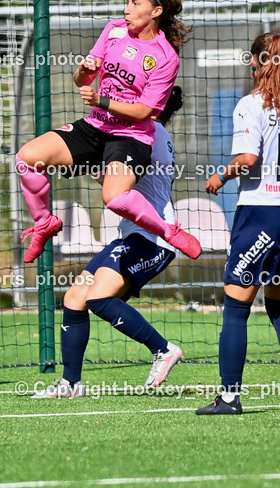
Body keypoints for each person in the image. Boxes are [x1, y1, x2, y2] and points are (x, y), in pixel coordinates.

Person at [15, 0, 201, 265]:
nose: (126, 10)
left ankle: (169, 230)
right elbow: (81, 80)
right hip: (96, 126)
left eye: (135, 4)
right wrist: (83, 71)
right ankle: (44, 223)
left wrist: (102, 101)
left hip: (131, 137)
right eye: (127, 2)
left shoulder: (165, 57)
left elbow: (144, 112)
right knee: (26, 159)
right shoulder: (114, 30)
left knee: (113, 197)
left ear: (156, 12)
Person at [194, 33, 280, 416]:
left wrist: (220, 176)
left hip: (261, 214)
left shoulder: (250, 105)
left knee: (236, 307)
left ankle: (229, 398)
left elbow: (248, 158)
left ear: (255, 62)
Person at [33, 89, 186, 399]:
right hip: (132, 235)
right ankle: (71, 384)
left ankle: (163, 349)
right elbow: (115, 177)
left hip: (153, 238)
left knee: (98, 297)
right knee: (75, 297)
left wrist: (76, 158)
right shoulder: (149, 133)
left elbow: (115, 177)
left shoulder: (150, 133)